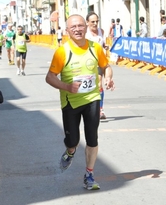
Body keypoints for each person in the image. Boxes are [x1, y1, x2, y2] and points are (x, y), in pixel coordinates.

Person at [45, 14, 115, 190]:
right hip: (70, 102)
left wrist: (108, 78)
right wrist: (66, 87)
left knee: (92, 138)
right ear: (67, 31)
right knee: (73, 140)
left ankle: (89, 174)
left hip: (92, 98)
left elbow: (106, 66)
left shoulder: (95, 47)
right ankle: (70, 152)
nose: (77, 29)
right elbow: (50, 77)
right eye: (73, 27)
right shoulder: (62, 52)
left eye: (80, 26)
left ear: (86, 27)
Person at [85, 11, 109, 119]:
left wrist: (105, 46)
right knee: (89, 85)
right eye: (92, 22)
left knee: (99, 85)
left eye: (97, 21)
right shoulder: (85, 33)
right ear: (87, 22)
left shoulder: (101, 31)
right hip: (87, 63)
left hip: (99, 62)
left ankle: (100, 110)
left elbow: (102, 43)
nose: (95, 23)